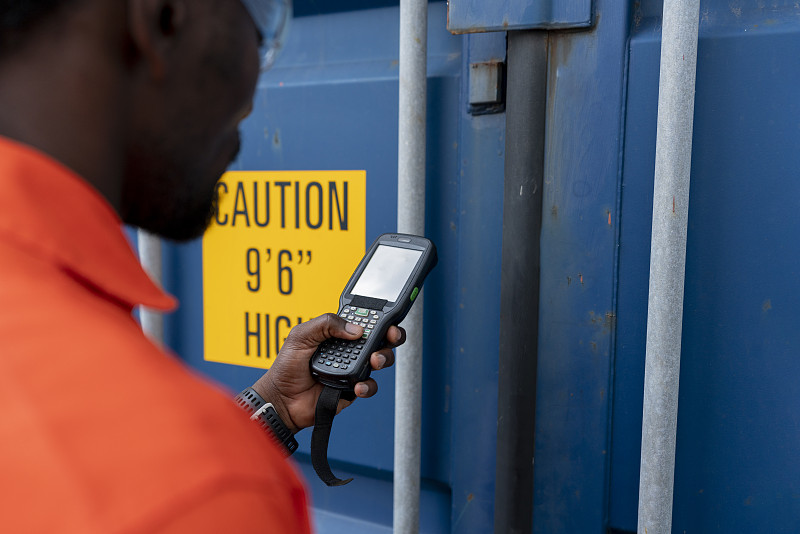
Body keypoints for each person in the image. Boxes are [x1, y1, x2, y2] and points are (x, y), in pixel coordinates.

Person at [0, 0, 404, 531]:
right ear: (161, 19)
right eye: (259, 33)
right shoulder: (208, 493)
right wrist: (220, 461)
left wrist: (273, 408)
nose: (250, 105)